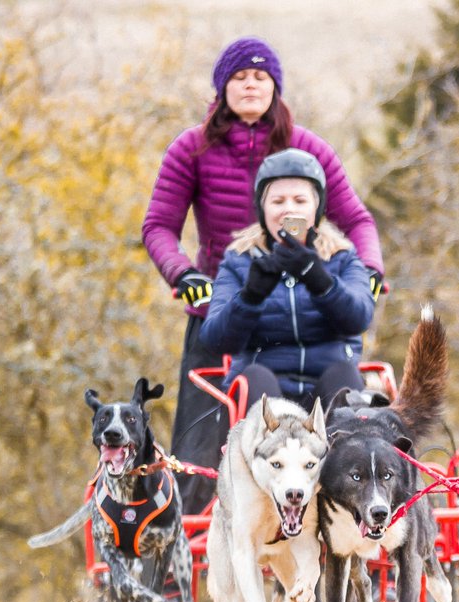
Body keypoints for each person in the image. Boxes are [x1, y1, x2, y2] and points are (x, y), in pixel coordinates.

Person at [142, 36, 384, 514]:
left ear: (276, 88)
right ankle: (178, 557)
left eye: (260, 78)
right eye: (239, 77)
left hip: (311, 306)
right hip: (226, 304)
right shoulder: (192, 148)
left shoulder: (306, 150)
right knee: (200, 443)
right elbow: (159, 226)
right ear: (222, 88)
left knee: (346, 396)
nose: (251, 86)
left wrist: (370, 268)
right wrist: (183, 272)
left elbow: (358, 220)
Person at [199, 148, 375, 416]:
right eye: (278, 201)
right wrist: (250, 297)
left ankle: (349, 454)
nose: (289, 210)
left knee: (345, 378)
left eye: (300, 200)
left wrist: (319, 279)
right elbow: (215, 339)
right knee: (254, 376)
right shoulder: (239, 260)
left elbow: (359, 318)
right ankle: (272, 450)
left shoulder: (342, 256)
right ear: (262, 208)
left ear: (317, 207)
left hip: (328, 385)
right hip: (266, 387)